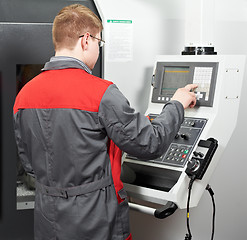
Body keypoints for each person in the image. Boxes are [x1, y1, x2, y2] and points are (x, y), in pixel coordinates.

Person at [13, 4, 197, 240]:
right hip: (94, 218)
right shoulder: (100, 92)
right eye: (99, 43)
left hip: (47, 218)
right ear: (86, 40)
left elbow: (28, 163)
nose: (98, 50)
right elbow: (150, 143)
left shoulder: (25, 94)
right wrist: (177, 104)